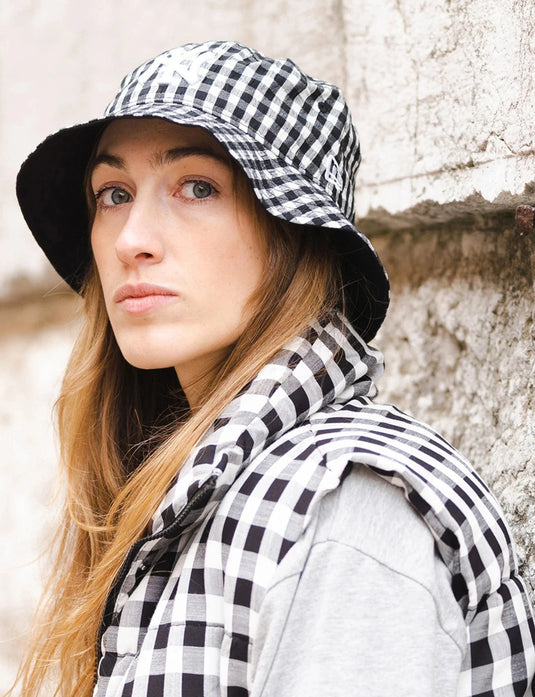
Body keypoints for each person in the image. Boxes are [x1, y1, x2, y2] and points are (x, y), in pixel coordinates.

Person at [13, 41, 535, 697]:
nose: (130, 240)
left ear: (294, 233)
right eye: (113, 194)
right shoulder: (198, 495)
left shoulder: (343, 512)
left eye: (197, 187)